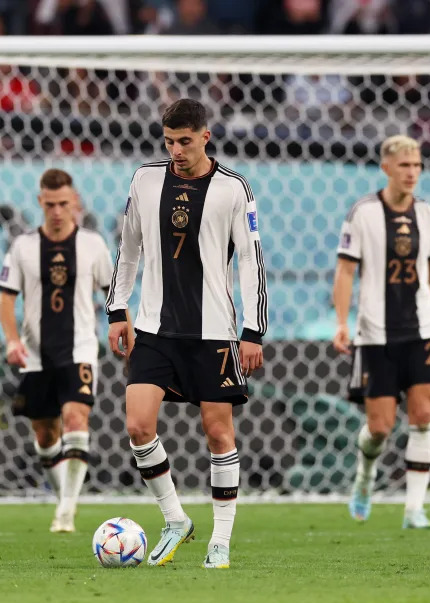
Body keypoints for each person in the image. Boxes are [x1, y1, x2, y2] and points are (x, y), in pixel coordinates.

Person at [106, 98, 268, 569]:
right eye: (169, 141)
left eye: (184, 141)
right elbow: (128, 247)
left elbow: (251, 262)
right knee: (137, 424)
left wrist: (253, 330)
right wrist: (118, 309)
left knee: (218, 433)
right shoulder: (145, 179)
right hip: (154, 327)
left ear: (205, 136)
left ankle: (221, 539)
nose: (176, 150)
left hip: (214, 331)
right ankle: (175, 518)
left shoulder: (235, 189)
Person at [332, 134, 430, 530]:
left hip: (422, 330)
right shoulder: (362, 213)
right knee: (380, 427)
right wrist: (342, 323)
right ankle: (366, 475)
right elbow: (346, 271)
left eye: (416, 165)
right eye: (404, 165)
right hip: (376, 334)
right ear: (386, 168)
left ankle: (414, 509)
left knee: (423, 414)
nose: (412, 172)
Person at [0, 168, 114, 533]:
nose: (58, 211)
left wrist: (119, 328)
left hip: (79, 348)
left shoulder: (93, 244)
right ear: (40, 203)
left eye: (64, 203)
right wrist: (12, 340)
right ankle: (65, 496)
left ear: (74, 201)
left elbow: (113, 293)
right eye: (51, 204)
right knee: (46, 435)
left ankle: (66, 509)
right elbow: (5, 300)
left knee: (77, 419)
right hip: (35, 354)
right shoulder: (23, 247)